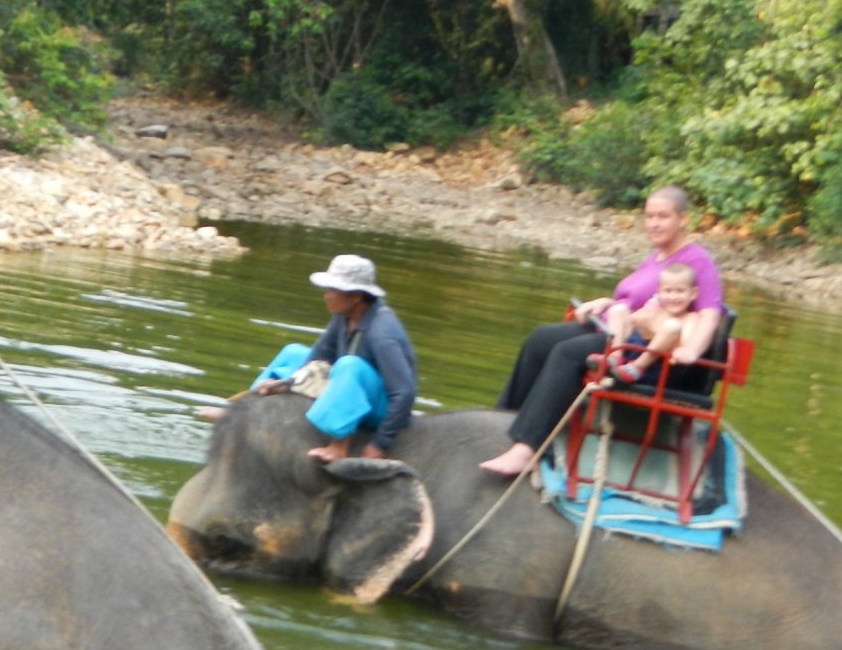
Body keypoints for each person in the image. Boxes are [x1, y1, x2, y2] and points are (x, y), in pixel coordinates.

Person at [479, 185, 723, 477]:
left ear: (682, 219)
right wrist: (606, 302)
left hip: (642, 348)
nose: (654, 224)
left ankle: (527, 449)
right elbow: (634, 300)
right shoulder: (655, 257)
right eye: (649, 216)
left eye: (663, 216)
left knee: (567, 353)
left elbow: (710, 313)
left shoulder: (697, 260)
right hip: (615, 326)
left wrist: (692, 350)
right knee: (541, 338)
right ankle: (503, 418)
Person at [216, 253, 419, 465]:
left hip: (376, 407)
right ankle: (244, 409)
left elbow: (404, 393)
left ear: (356, 296)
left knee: (349, 364)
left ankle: (339, 445)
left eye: (332, 290)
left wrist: (379, 444)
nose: (326, 295)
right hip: (348, 385)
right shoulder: (343, 318)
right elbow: (317, 357)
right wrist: (283, 384)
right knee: (294, 352)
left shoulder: (382, 333)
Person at [586, 259, 698, 387]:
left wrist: (654, 326)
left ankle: (638, 367)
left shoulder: (691, 318)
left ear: (693, 294)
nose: (673, 297)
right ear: (659, 293)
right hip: (632, 355)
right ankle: (616, 356)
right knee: (619, 310)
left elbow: (686, 343)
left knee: (672, 326)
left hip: (658, 367)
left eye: (680, 291)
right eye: (668, 291)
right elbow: (632, 321)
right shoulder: (655, 310)